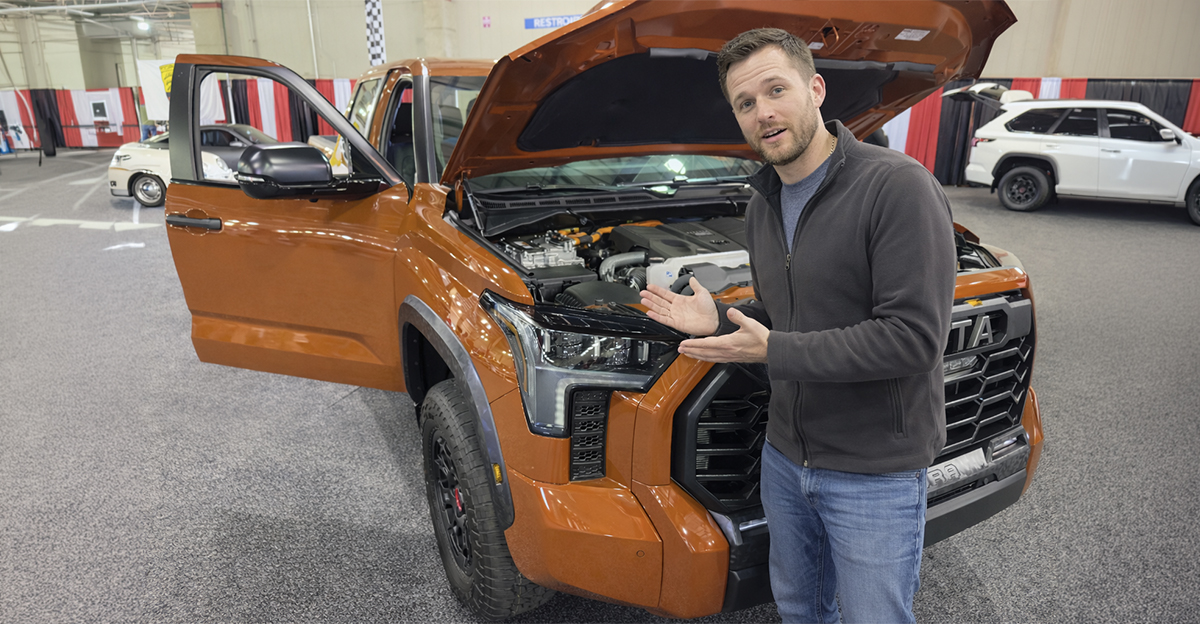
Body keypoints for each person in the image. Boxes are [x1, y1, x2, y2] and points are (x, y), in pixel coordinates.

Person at [640, 28, 956, 623]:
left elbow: (913, 339)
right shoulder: (763, 202)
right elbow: (792, 317)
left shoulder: (896, 187)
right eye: (745, 103)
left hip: (874, 470)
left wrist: (774, 350)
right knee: (799, 609)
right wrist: (721, 318)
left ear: (815, 89)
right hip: (786, 460)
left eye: (775, 90)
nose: (764, 113)